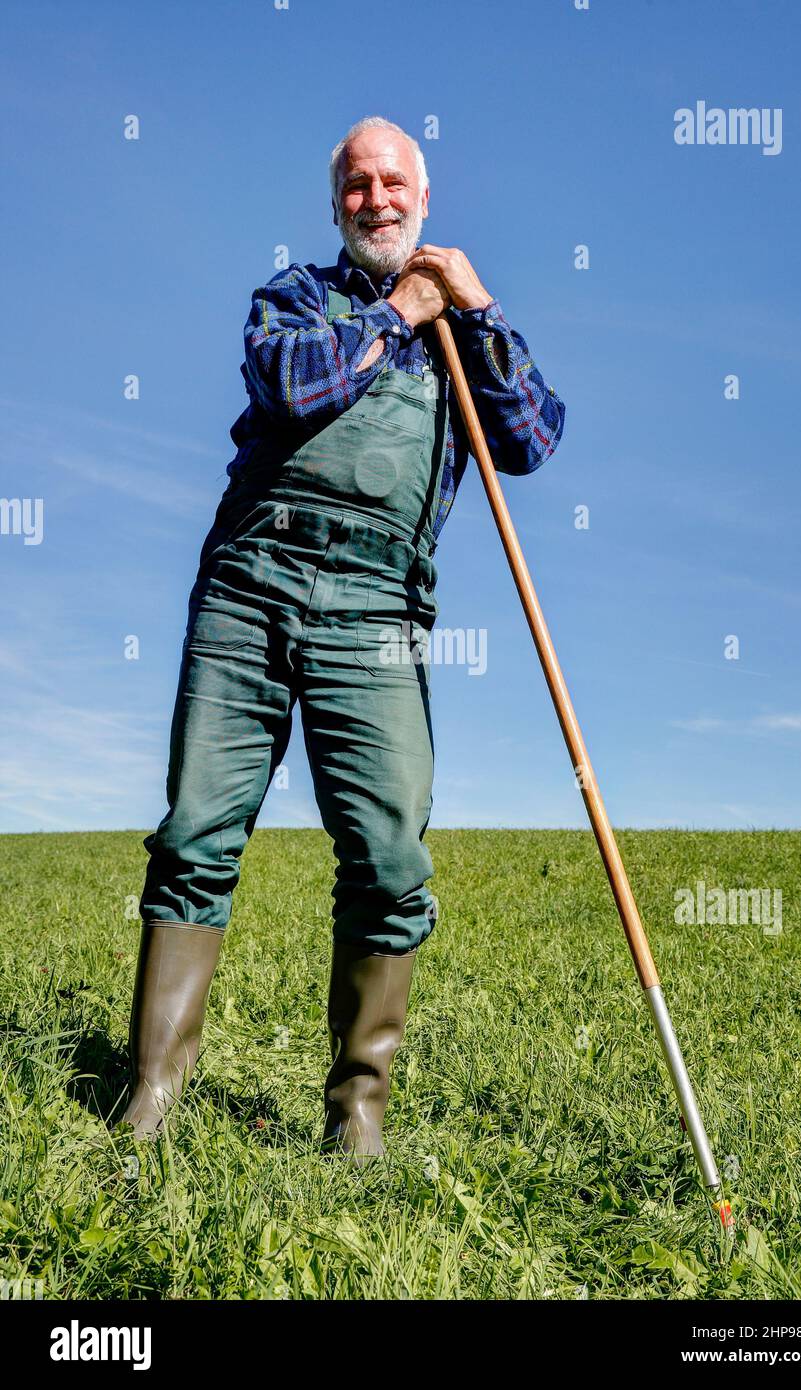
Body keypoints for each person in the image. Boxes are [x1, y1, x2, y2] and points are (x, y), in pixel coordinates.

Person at [118, 115, 566, 1160]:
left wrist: (478, 311)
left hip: (376, 610)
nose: (374, 198)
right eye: (354, 185)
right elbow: (293, 386)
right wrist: (405, 311)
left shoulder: (464, 336)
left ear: (423, 196)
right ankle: (149, 1099)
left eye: (392, 181)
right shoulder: (294, 301)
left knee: (387, 853)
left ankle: (355, 1116)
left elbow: (532, 440)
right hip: (250, 584)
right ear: (335, 207)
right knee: (195, 833)